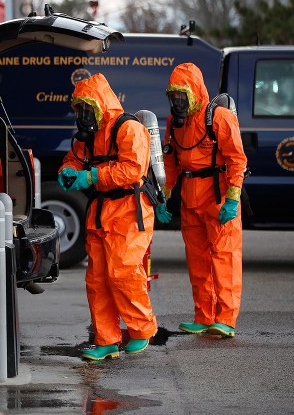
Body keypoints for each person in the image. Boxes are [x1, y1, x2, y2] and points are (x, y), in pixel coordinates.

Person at [58, 73, 158, 361]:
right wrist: (67, 171)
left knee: (124, 272)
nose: (83, 114)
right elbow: (73, 158)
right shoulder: (87, 137)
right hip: (101, 212)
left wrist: (90, 176)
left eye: (87, 108)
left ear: (101, 104)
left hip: (129, 209)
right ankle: (107, 340)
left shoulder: (128, 129)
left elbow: (132, 170)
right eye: (79, 109)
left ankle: (142, 329)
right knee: (98, 279)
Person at [155, 62, 247, 338]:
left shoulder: (218, 117)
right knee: (197, 260)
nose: (178, 101)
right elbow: (170, 161)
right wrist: (164, 196)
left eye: (182, 96)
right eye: (174, 96)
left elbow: (236, 159)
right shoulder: (175, 121)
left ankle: (226, 318)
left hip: (218, 195)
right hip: (190, 196)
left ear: (194, 92)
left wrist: (232, 199)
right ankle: (204, 315)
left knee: (224, 258)